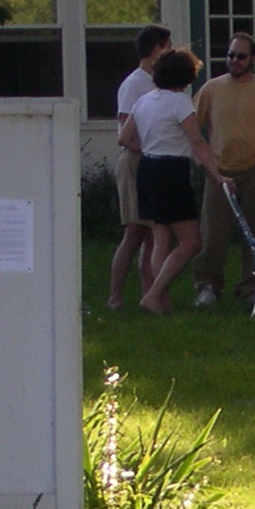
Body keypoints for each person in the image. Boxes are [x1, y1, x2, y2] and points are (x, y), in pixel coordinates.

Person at [193, 32, 255, 308]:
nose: (234, 61)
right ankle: (207, 287)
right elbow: (192, 125)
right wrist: (206, 160)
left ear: (252, 58)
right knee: (213, 233)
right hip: (219, 172)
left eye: (240, 56)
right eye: (230, 55)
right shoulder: (212, 89)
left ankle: (251, 287)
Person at [117, 49, 225, 314]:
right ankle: (153, 295)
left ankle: (162, 302)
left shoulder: (144, 101)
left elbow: (124, 138)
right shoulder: (180, 102)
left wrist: (150, 148)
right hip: (172, 172)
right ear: (186, 76)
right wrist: (218, 175)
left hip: (148, 169)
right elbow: (197, 141)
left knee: (160, 238)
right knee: (191, 242)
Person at [106, 23, 173, 309]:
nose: (170, 51)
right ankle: (115, 297)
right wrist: (149, 150)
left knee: (151, 233)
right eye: (167, 45)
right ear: (155, 48)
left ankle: (150, 295)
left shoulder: (158, 81)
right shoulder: (135, 83)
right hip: (135, 162)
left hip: (153, 163)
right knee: (134, 231)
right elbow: (125, 133)